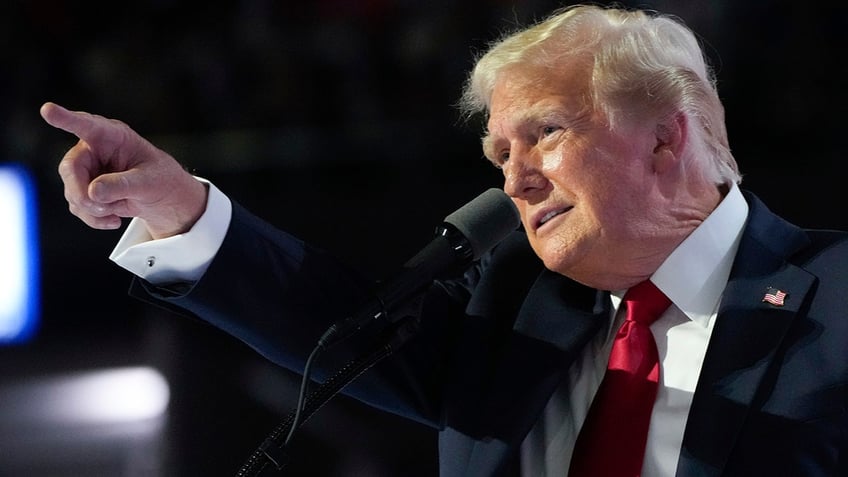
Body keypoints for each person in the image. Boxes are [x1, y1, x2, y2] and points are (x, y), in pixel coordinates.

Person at [41, 4, 848, 476]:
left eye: (546, 134)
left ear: (667, 141)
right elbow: (332, 320)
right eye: (501, 154)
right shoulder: (511, 312)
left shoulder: (836, 296)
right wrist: (179, 205)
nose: (515, 179)